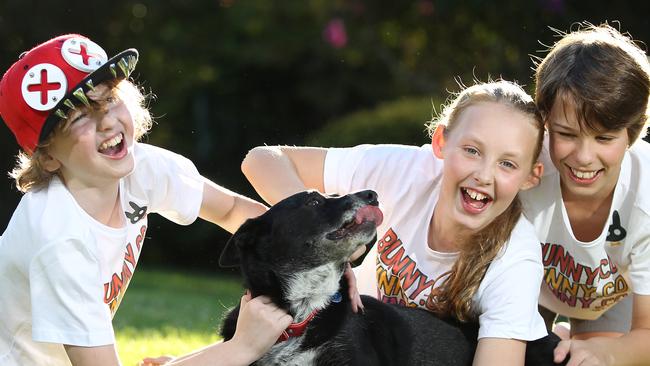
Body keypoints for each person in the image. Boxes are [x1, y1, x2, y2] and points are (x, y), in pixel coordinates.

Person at [0, 34, 292, 366]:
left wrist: (318, 254)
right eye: (78, 117)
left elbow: (233, 211)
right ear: (48, 158)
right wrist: (241, 347)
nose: (107, 121)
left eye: (108, 98)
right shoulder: (59, 239)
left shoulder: (141, 169)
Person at [242, 80, 549, 365]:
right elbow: (263, 160)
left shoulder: (516, 260)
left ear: (531, 176)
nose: (484, 175)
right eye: (472, 150)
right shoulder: (405, 171)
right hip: (356, 342)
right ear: (441, 142)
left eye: (507, 163)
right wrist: (321, 225)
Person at [520, 22, 650, 365]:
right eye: (566, 134)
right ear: (544, 121)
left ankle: (571, 334)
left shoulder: (645, 197)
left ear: (633, 133)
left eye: (604, 138)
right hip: (529, 286)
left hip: (610, 298)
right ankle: (556, 334)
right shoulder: (521, 164)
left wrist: (605, 353)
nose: (583, 157)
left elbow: (647, 334)